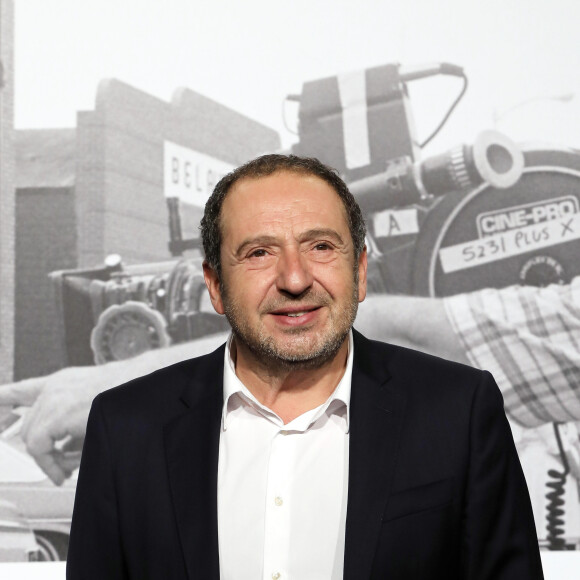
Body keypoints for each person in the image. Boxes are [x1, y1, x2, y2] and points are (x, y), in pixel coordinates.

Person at [64, 154, 542, 579]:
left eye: (321, 247)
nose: (294, 279)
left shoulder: (458, 411)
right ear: (214, 285)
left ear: (359, 272)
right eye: (259, 253)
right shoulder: (126, 426)